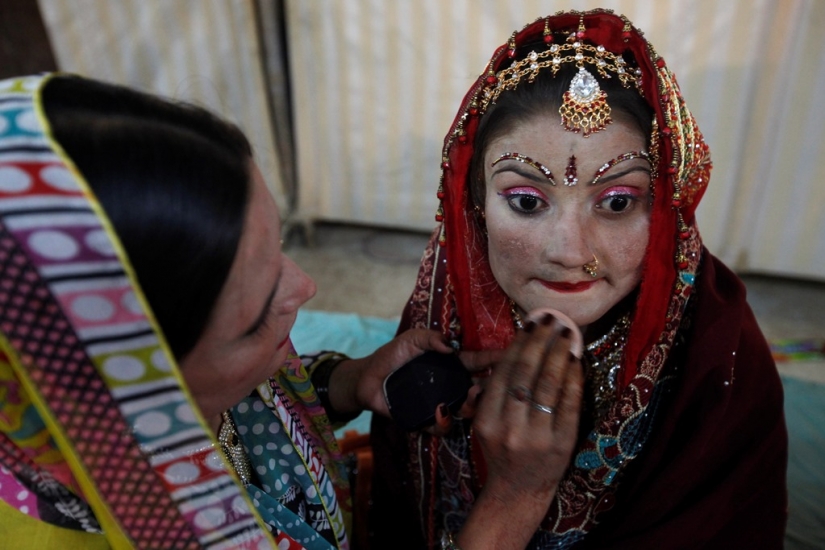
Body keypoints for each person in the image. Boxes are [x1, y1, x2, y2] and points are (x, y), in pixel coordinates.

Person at [0, 73, 575, 549]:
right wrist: (516, 497)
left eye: (279, 249)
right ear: (137, 392)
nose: (307, 287)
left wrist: (348, 383)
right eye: (252, 321)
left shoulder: (157, 398)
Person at [370, 9, 788, 549]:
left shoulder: (718, 355)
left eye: (617, 201)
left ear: (666, 210)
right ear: (473, 204)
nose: (569, 251)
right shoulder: (444, 309)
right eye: (525, 201)